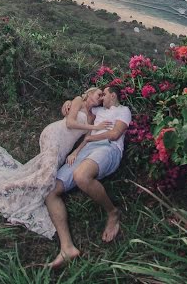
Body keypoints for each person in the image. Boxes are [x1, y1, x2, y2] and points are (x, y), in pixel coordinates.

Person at [0, 87, 111, 238]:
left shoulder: (92, 117)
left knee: (43, 184)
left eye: (103, 96)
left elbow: (87, 139)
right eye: (99, 94)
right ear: (90, 93)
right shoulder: (78, 100)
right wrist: (93, 126)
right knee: (45, 179)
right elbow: (70, 123)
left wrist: (75, 152)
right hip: (54, 135)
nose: (101, 97)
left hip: (64, 148)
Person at [45, 85, 132, 268]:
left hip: (108, 148)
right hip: (87, 150)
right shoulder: (97, 110)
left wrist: (90, 138)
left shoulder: (123, 111)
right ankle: (67, 247)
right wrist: (68, 103)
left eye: (105, 94)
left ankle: (112, 212)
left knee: (81, 176)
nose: (102, 98)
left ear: (113, 96)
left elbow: (115, 134)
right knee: (50, 191)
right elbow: (81, 105)